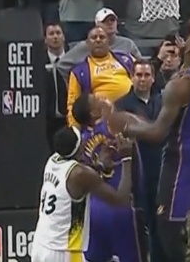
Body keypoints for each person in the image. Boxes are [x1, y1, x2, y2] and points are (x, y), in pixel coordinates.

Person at [108, 31, 190, 262]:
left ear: (188, 50)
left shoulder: (178, 86)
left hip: (183, 153)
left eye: (188, 40)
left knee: (166, 224)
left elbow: (157, 133)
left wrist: (128, 127)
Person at [31, 126, 135, 262]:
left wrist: (100, 166)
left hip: (40, 245)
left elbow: (80, 175)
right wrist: (127, 158)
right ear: (79, 149)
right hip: (64, 251)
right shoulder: (80, 174)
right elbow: (121, 200)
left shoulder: (52, 160)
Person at [72, 93, 147, 262]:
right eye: (96, 99)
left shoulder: (80, 139)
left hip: (93, 209)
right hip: (120, 203)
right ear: (94, 112)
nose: (102, 97)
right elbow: (148, 127)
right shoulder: (115, 122)